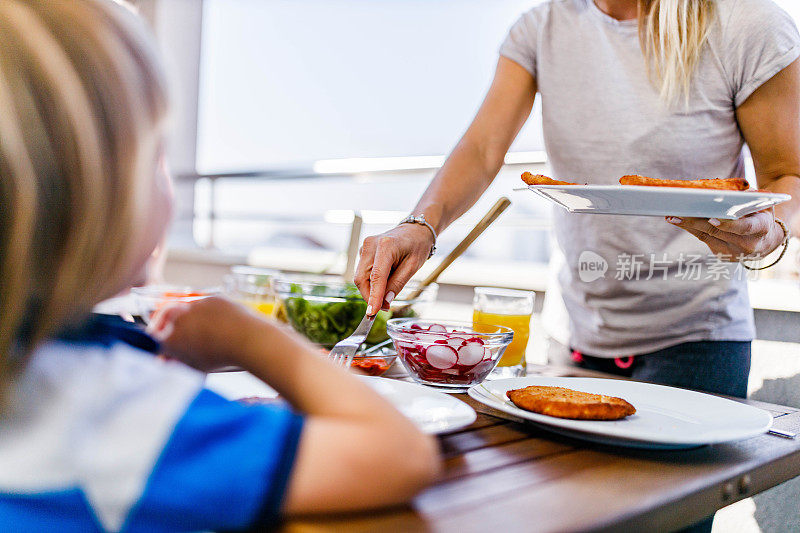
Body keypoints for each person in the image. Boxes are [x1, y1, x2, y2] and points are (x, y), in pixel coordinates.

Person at [356, 2, 799, 528]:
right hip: (572, 344)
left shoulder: (747, 24)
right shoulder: (541, 28)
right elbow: (481, 149)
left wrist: (765, 232)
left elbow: (787, 175)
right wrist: (419, 224)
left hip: (697, 344)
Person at [0, 1, 440, 531]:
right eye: (155, 153)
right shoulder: (116, 410)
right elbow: (400, 455)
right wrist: (251, 338)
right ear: (94, 199)